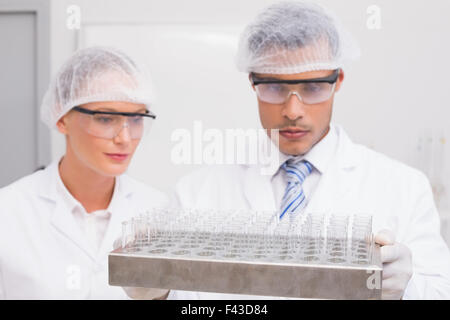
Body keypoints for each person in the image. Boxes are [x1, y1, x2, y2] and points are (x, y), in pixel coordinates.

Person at [169, 2, 450, 299]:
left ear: (337, 81)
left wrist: (406, 289)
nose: (293, 111)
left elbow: (441, 291)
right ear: (252, 81)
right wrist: (158, 294)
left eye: (313, 87)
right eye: (275, 88)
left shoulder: (404, 187)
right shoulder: (195, 191)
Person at [0, 47, 169, 299]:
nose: (124, 138)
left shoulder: (159, 210)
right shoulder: (8, 212)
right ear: (62, 117)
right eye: (105, 119)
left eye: (136, 119)